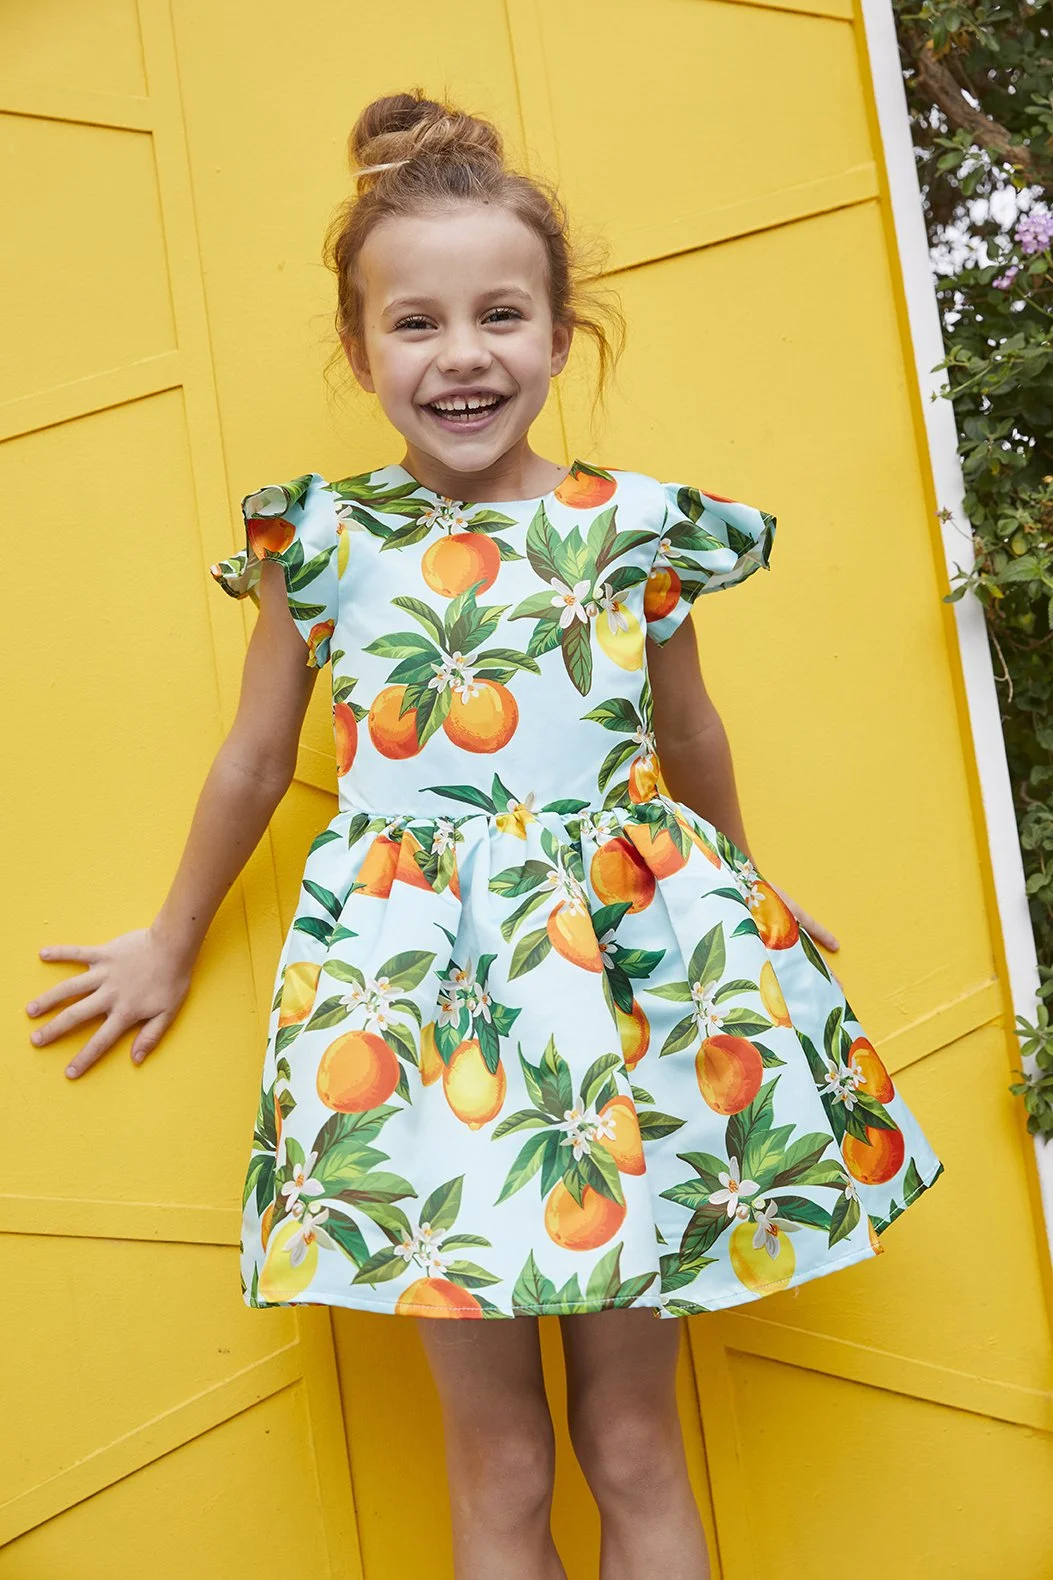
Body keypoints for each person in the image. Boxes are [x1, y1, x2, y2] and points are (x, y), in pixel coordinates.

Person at [25, 89, 943, 1580]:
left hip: (618, 1004)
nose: (463, 355)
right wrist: (171, 932)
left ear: (561, 332)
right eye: (418, 325)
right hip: (418, 1016)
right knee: (501, 1456)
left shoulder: (631, 526)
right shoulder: (316, 539)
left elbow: (688, 730)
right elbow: (259, 757)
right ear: (358, 350)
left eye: (501, 315)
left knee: (633, 1441)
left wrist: (743, 880)